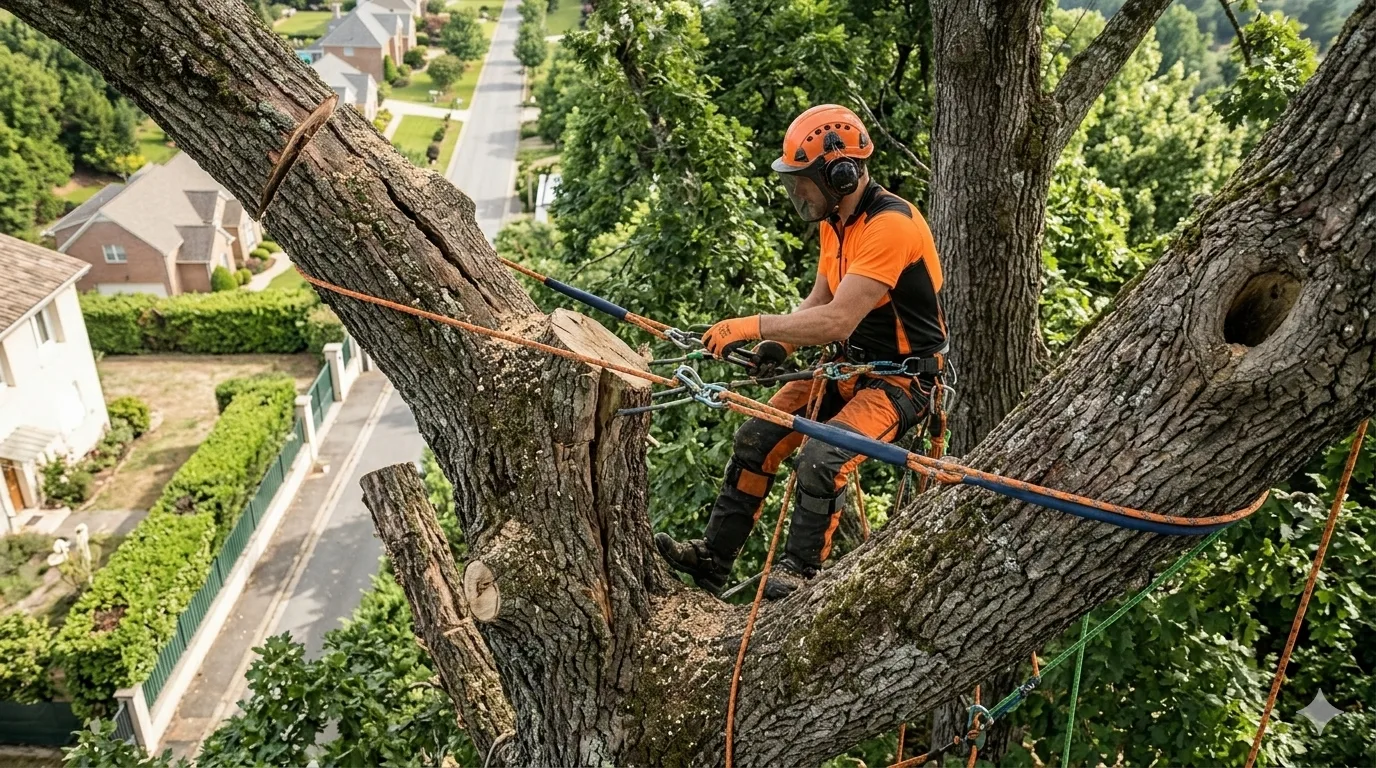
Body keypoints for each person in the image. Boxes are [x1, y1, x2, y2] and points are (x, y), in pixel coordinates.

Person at [654, 104, 950, 599]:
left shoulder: (890, 226)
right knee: (755, 437)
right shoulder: (837, 221)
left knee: (821, 458)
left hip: (902, 381)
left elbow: (838, 319)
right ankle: (713, 557)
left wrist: (751, 325)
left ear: (840, 173)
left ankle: (798, 572)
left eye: (802, 181)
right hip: (847, 368)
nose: (797, 193)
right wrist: (780, 341)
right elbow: (820, 299)